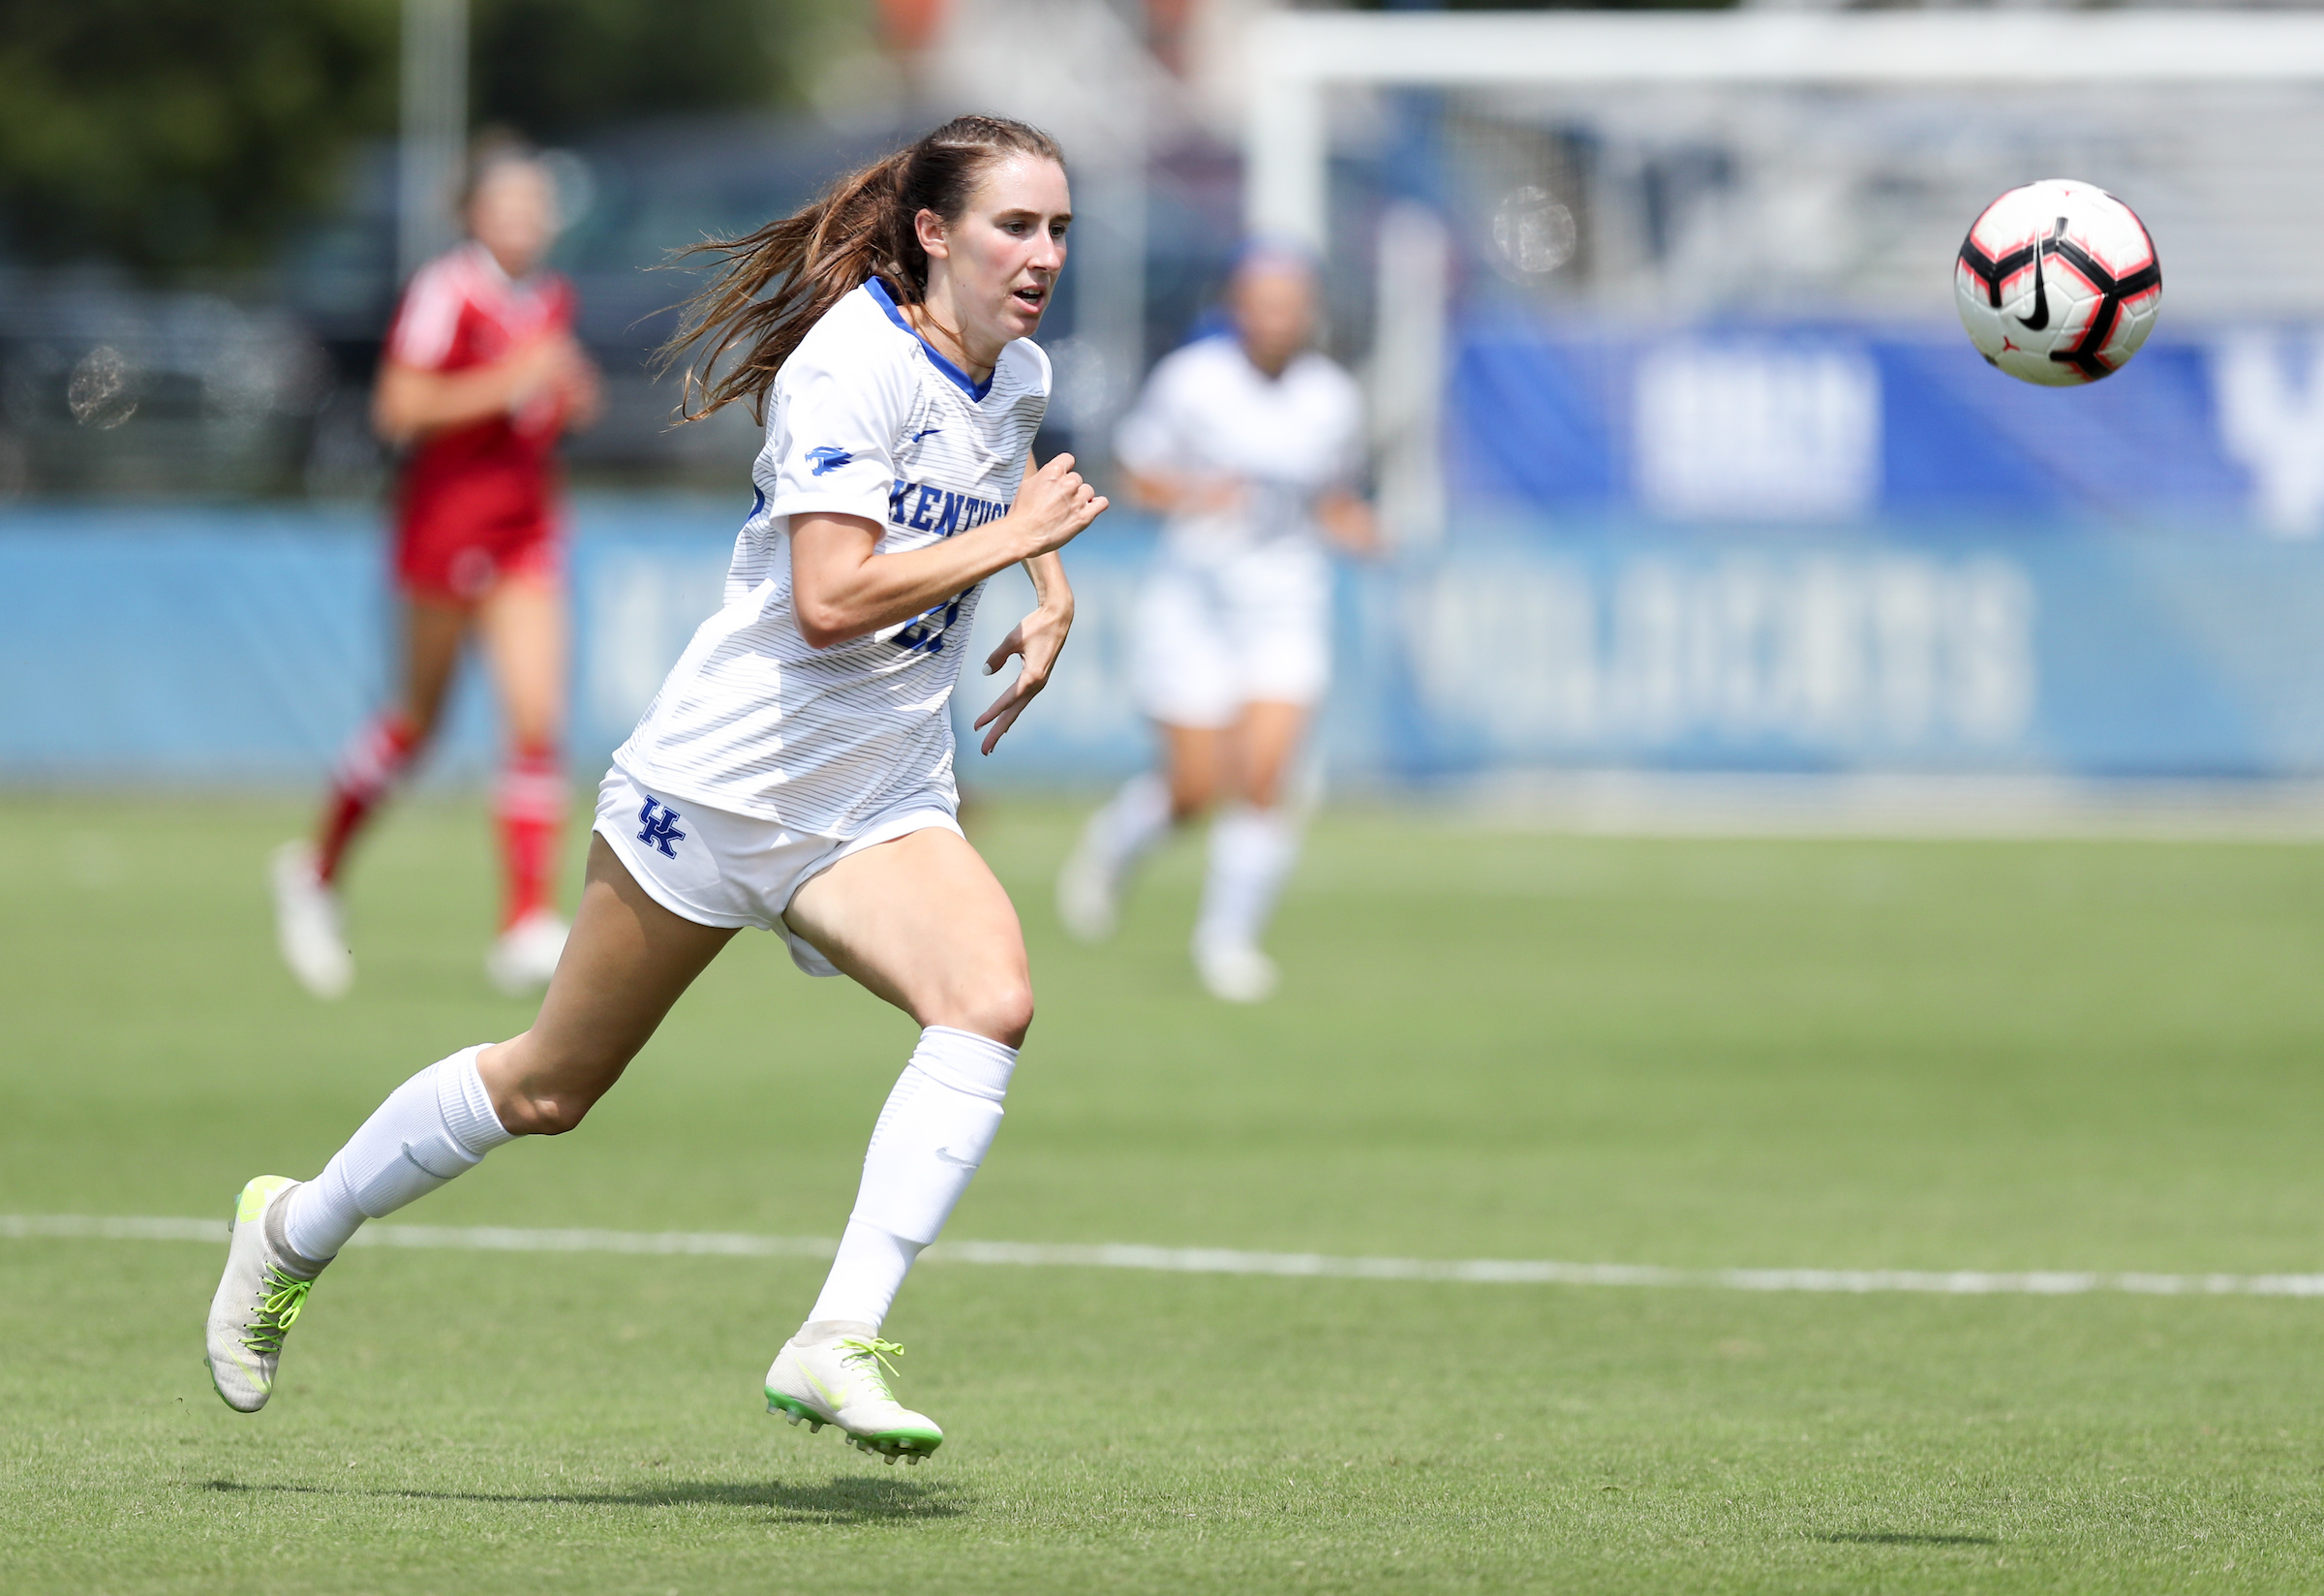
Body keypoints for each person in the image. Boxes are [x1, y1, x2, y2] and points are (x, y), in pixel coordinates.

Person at [206, 115, 1102, 1464]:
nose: (1043, 256)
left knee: (991, 1002)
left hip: (874, 801)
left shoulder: (1015, 370)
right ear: (933, 233)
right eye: (1014, 227)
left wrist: (1046, 584)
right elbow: (824, 602)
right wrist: (1012, 539)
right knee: (548, 1088)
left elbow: (999, 467)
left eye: (1059, 231)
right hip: (723, 784)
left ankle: (835, 1337)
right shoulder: (849, 363)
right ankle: (293, 1228)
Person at [270, 134, 602, 1000]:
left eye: (537, 204)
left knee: (536, 718)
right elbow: (399, 406)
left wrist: (568, 393)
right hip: (445, 530)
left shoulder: (550, 296)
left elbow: (557, 399)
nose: (527, 219)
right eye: (509, 203)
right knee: (414, 726)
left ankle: (524, 921)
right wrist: (510, 382)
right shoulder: (446, 290)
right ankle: (314, 872)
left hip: (527, 527)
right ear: (473, 215)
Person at [1055, 248, 1374, 1001]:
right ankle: (1115, 844)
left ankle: (1227, 941)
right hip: (1195, 601)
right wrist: (1200, 493)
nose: (1276, 318)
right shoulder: (1192, 382)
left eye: (1290, 304)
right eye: (1262, 302)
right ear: (1236, 306)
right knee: (1194, 789)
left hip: (1286, 600)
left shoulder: (1332, 399)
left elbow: (1327, 499)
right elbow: (1136, 473)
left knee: (1263, 777)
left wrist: (1357, 525)